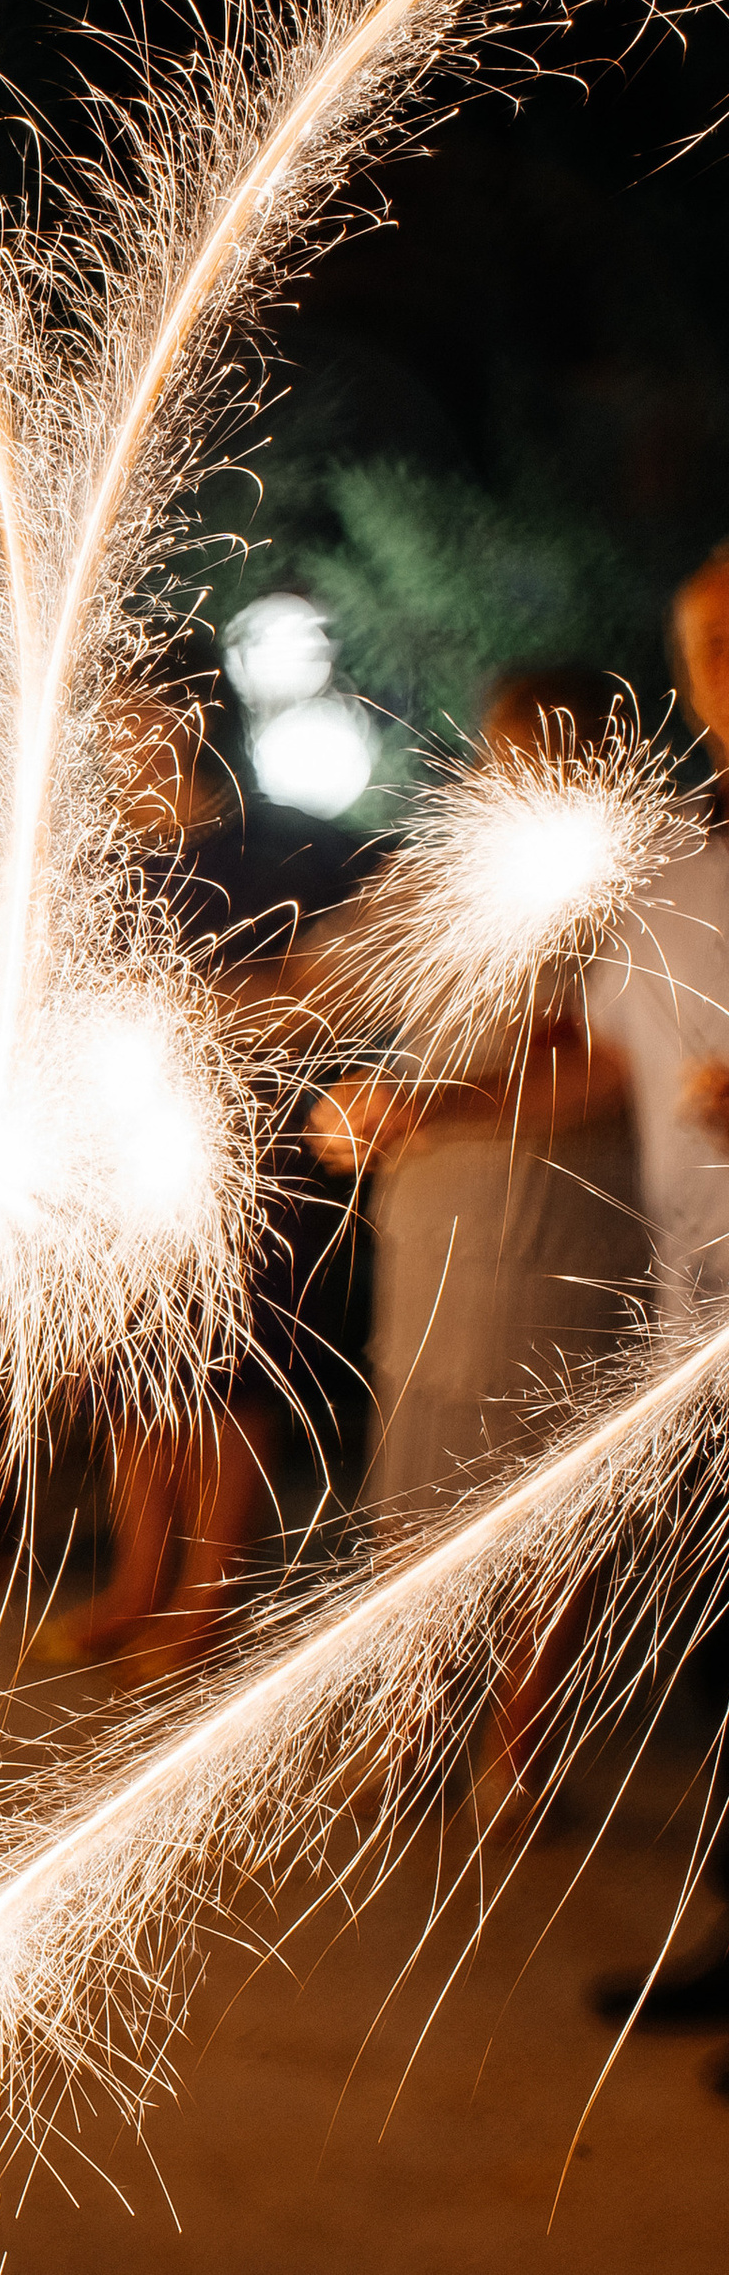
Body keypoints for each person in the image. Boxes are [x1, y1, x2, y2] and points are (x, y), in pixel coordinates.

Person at [305, 667, 646, 1809]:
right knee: (416, 1480)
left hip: (566, 1222)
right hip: (435, 1222)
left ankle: (521, 1739)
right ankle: (414, 1728)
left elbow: (612, 1064)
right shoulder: (447, 884)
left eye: (536, 758)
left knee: (548, 1484)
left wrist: (438, 1106)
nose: (509, 781)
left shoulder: (640, 890)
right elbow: (328, 978)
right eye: (501, 757)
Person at [39, 643, 360, 1683]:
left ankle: (205, 1596)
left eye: (141, 713)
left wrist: (215, 1014)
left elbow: (329, 986)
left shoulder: (277, 847)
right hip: (113, 1151)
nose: (122, 738)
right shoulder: (95, 865)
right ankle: (138, 1580)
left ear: (189, 717)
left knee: (229, 1374)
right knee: (131, 1372)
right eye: (109, 717)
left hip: (244, 1152)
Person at [571, 545, 729, 2088]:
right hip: (694, 1318)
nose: (723, 668)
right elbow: (607, 1070)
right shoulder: (679, 871)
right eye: (706, 643)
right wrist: (420, 1104)